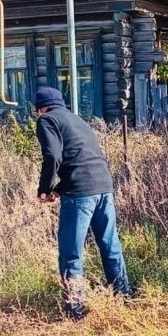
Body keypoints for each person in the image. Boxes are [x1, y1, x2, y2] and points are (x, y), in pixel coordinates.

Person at [34, 86, 131, 320]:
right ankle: (124, 299)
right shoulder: (76, 120)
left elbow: (53, 157)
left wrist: (45, 189)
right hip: (103, 186)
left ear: (40, 108)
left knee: (71, 253)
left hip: (80, 194)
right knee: (110, 246)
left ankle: (75, 309)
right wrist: (59, 189)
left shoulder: (47, 120)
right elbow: (81, 157)